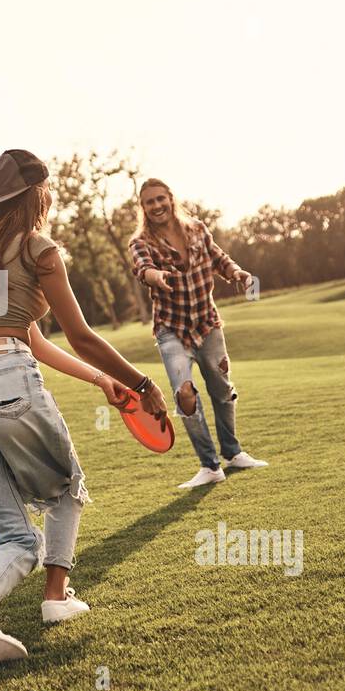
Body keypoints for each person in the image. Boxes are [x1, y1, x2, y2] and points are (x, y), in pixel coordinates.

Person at [0, 150, 169, 664]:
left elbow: (31, 338)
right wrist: (142, 382)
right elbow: (81, 335)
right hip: (5, 382)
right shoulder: (41, 250)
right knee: (66, 487)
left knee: (15, 537)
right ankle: (55, 598)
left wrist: (103, 381)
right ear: (38, 194)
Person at [128, 178, 269, 489]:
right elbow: (142, 269)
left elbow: (218, 258)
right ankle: (210, 466)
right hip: (171, 329)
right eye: (149, 202)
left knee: (222, 390)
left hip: (207, 324)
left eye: (160, 199)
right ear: (143, 207)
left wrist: (236, 272)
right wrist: (157, 276)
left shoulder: (197, 229)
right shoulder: (140, 242)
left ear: (171, 199)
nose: (156, 206)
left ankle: (232, 454)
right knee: (185, 394)